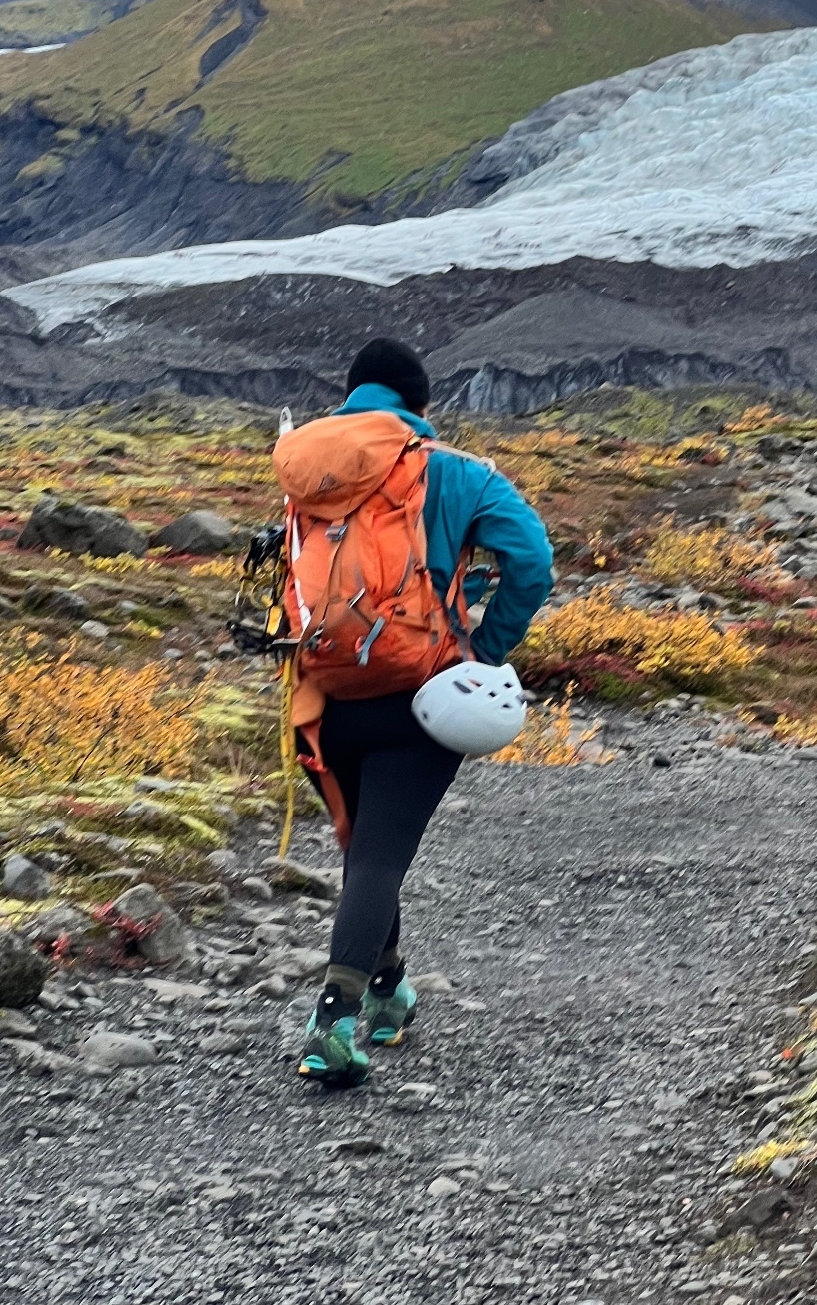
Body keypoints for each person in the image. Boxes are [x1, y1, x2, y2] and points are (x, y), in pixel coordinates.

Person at [292, 337, 554, 1086]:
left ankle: (387, 992)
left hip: (325, 695)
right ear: (421, 406)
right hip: (424, 698)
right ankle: (332, 1025)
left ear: (350, 398)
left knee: (365, 849)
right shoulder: (458, 472)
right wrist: (484, 646)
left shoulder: (308, 469)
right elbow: (531, 562)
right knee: (380, 855)